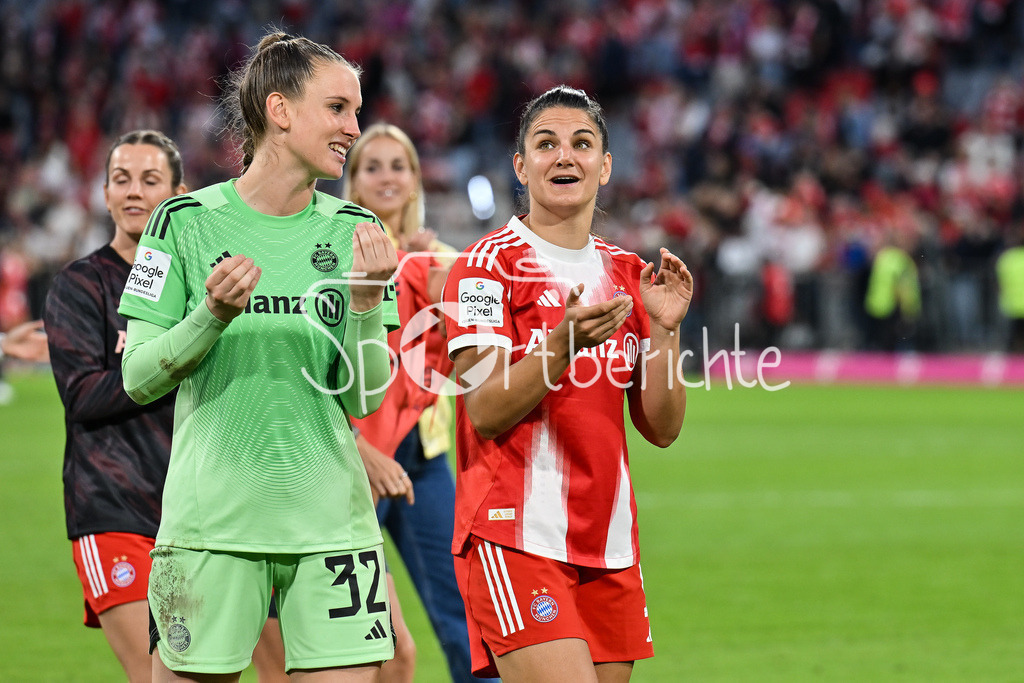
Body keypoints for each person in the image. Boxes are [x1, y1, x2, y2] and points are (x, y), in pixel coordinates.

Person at [118, 33, 399, 681]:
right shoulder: (182, 222)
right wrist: (210, 316)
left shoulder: (359, 231)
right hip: (212, 530)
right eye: (337, 109)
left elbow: (366, 397)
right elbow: (136, 376)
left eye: (356, 111)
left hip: (332, 530)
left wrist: (361, 304)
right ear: (280, 110)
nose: (353, 128)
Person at [440, 85, 693, 682]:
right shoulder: (484, 267)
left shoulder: (631, 276)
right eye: (546, 143)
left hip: (608, 543)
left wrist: (663, 332)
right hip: (516, 536)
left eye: (582, 144)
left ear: (605, 166)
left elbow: (662, 427)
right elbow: (484, 408)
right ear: (520, 166)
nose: (565, 157)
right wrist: (560, 345)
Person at [43, 130, 288, 682]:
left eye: (150, 181)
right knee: (161, 673)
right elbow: (82, 395)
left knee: (279, 670)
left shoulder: (209, 281)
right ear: (103, 193)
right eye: (121, 180)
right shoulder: (80, 285)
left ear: (178, 194)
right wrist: (165, 361)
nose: (134, 192)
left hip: (210, 509)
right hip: (114, 508)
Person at [343, 123, 498, 683]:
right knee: (372, 640)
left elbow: (474, 362)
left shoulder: (444, 261)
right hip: (353, 454)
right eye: (372, 166)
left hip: (424, 455)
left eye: (398, 165)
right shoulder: (334, 253)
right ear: (354, 183)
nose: (387, 177)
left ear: (414, 180)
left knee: (466, 615)